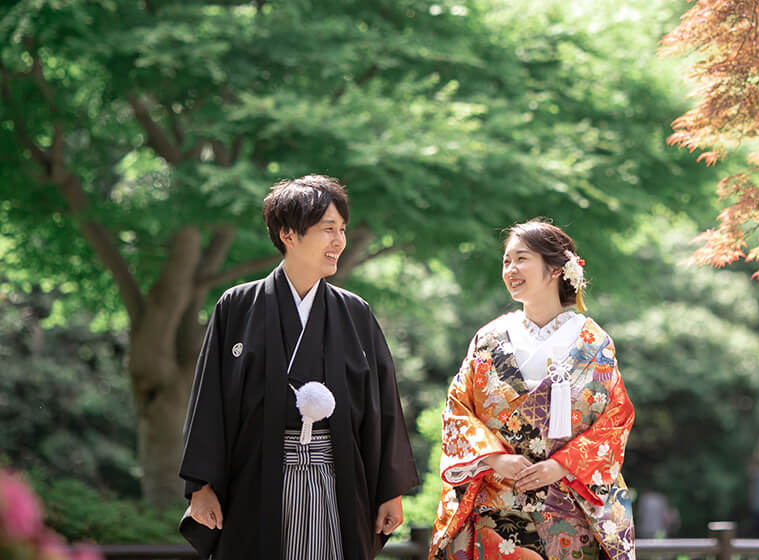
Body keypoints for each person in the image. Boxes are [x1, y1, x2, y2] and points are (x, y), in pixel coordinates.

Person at [179, 174, 419, 560]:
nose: (339, 241)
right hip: (256, 477)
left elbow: (381, 406)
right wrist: (201, 485)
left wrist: (388, 490)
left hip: (336, 476)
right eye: (328, 229)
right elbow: (209, 400)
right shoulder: (237, 306)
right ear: (289, 234)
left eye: (341, 229)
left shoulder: (354, 312)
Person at [430, 219, 636, 560]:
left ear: (555, 268)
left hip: (568, 506)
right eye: (507, 261)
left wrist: (562, 466)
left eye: (521, 259)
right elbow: (458, 409)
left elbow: (615, 419)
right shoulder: (489, 338)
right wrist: (496, 458)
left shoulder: (592, 341)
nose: (511, 269)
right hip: (497, 503)